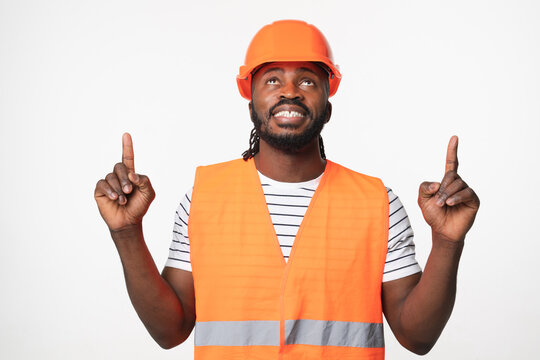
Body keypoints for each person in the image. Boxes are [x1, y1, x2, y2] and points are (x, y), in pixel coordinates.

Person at [94, 20, 479, 359]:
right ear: (251, 104)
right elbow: (169, 332)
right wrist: (126, 234)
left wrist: (447, 243)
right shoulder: (203, 199)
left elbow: (418, 338)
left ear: (328, 106)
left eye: (308, 80)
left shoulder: (378, 204)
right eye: (273, 79)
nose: (290, 91)